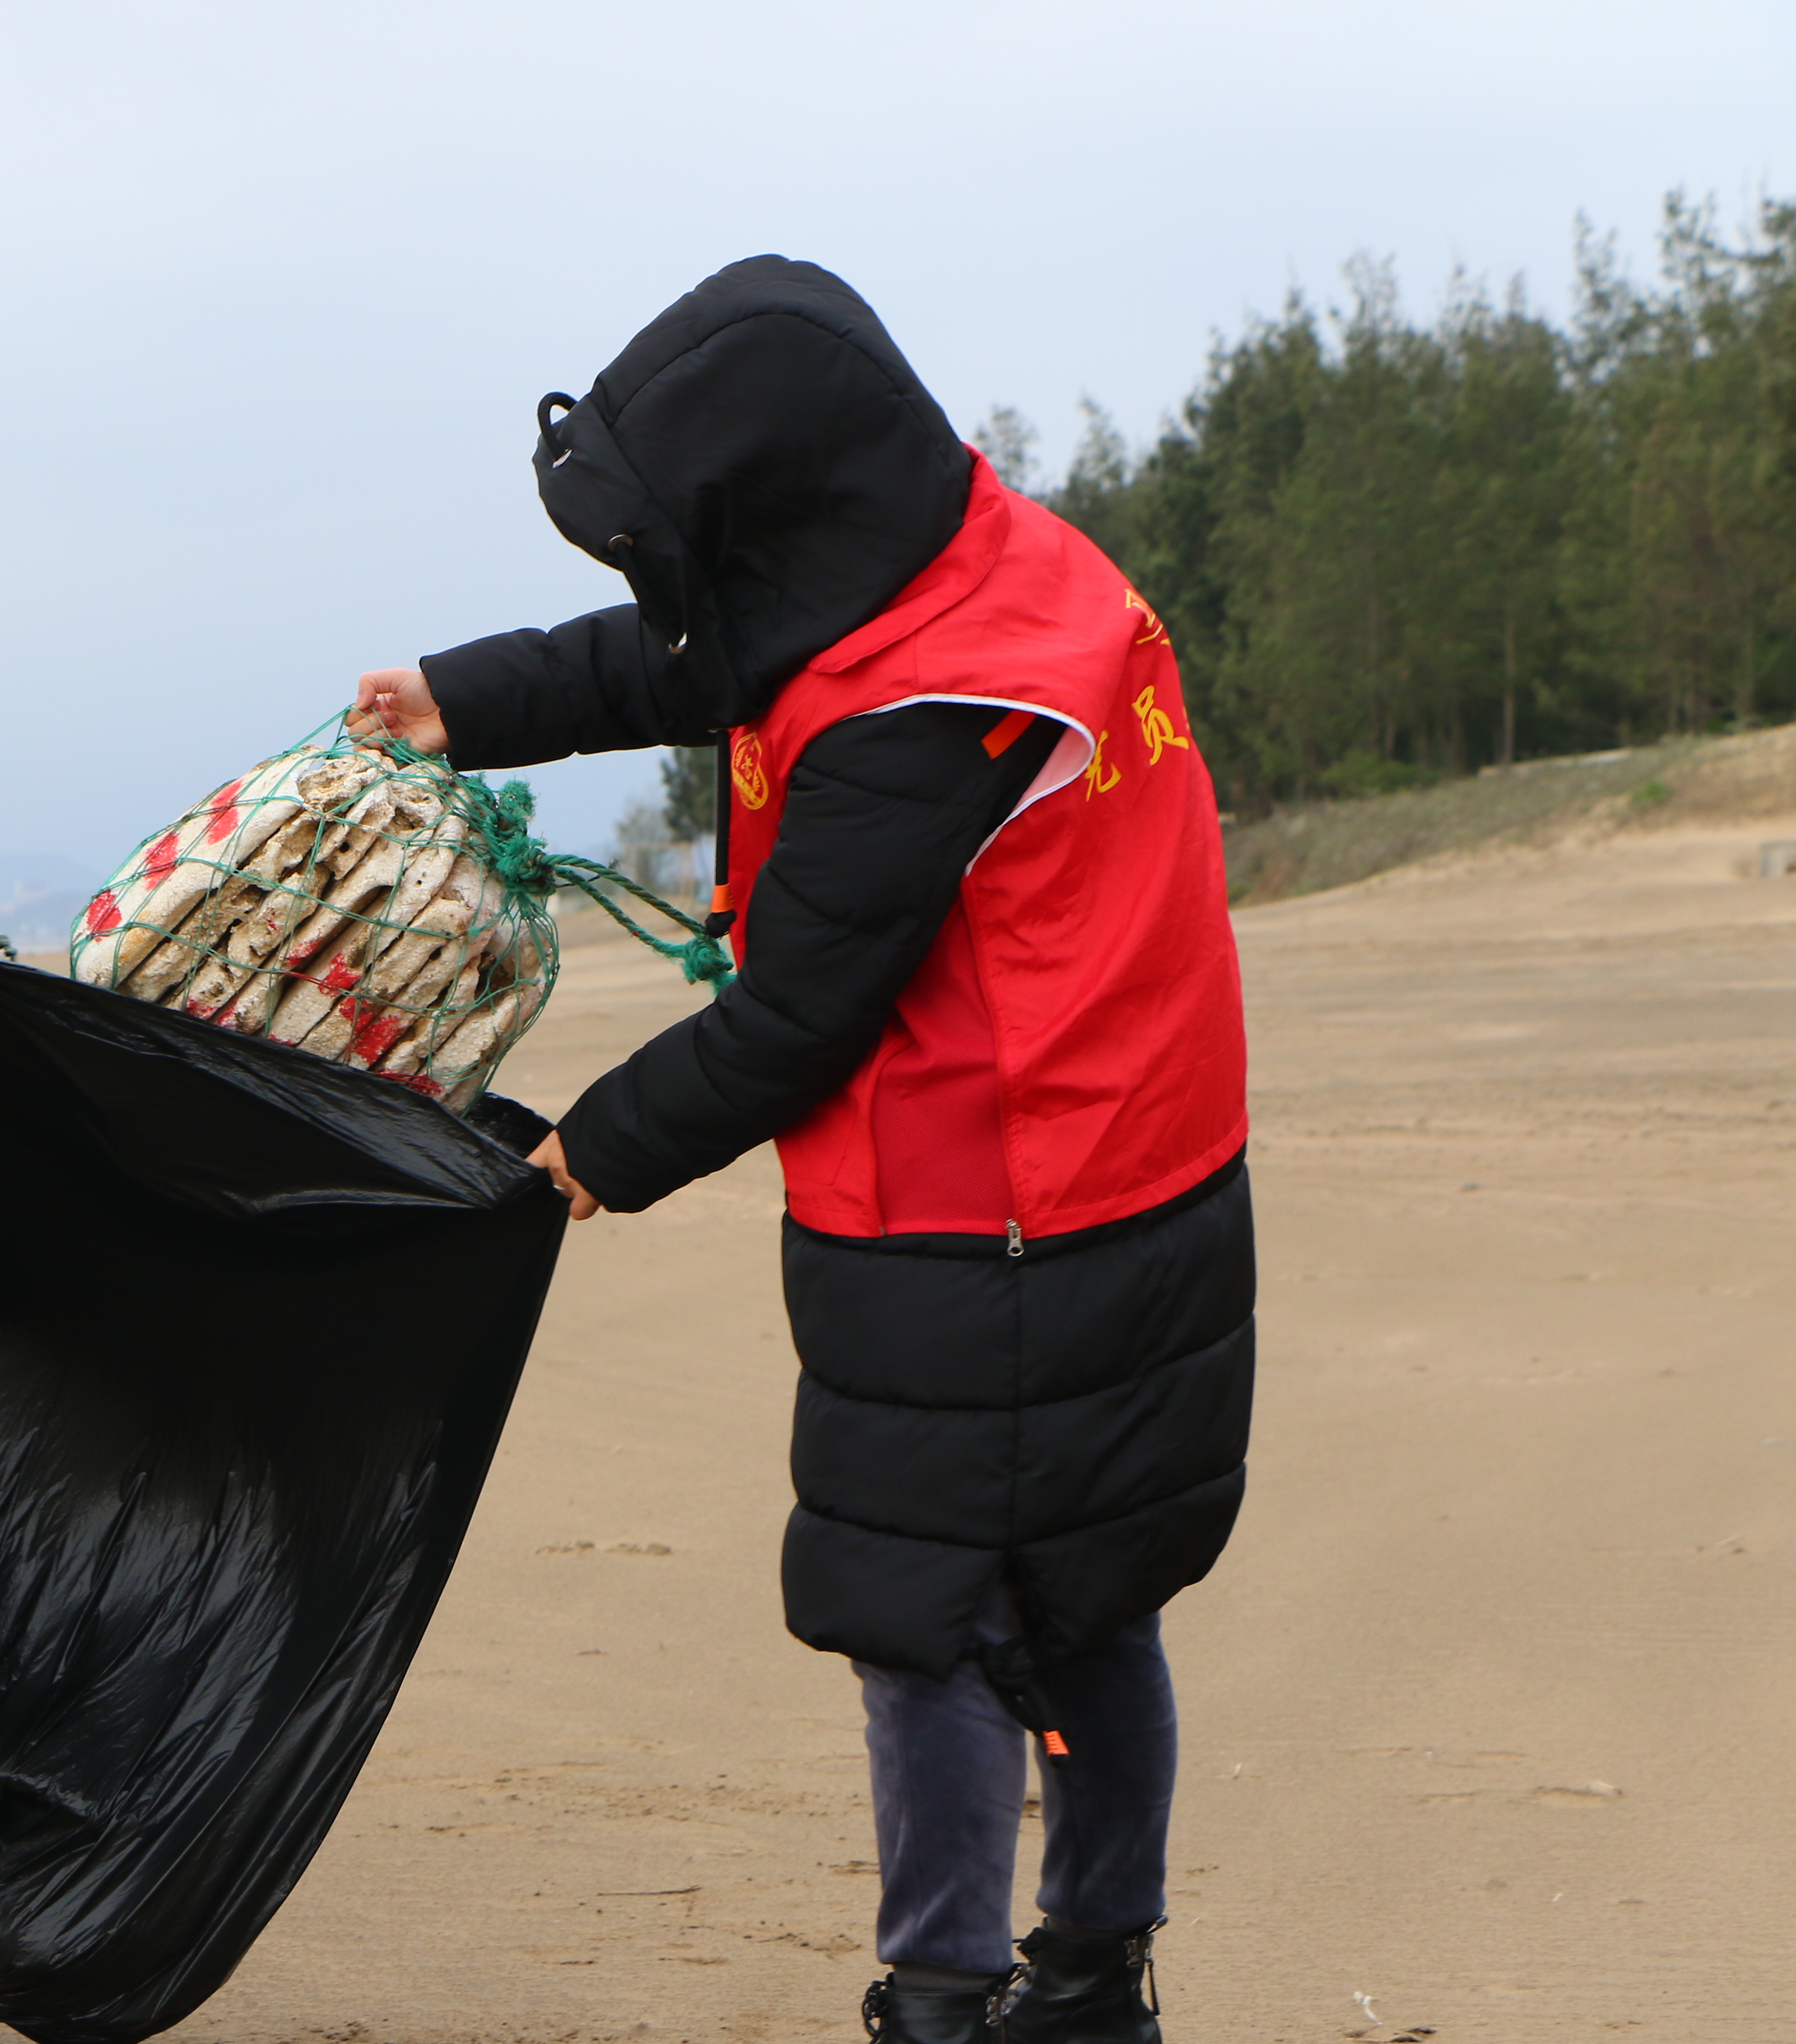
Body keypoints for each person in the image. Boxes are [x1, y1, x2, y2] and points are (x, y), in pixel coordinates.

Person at [352, 258, 1251, 2044]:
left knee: (929, 1617)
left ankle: (948, 1998)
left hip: (996, 1211)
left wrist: (591, 1151)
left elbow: (797, 1019)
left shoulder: (936, 717)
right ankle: (1091, 1985)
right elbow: (728, 654)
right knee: (1084, 1597)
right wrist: (474, 699)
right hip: (1132, 1170)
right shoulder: (964, 550)